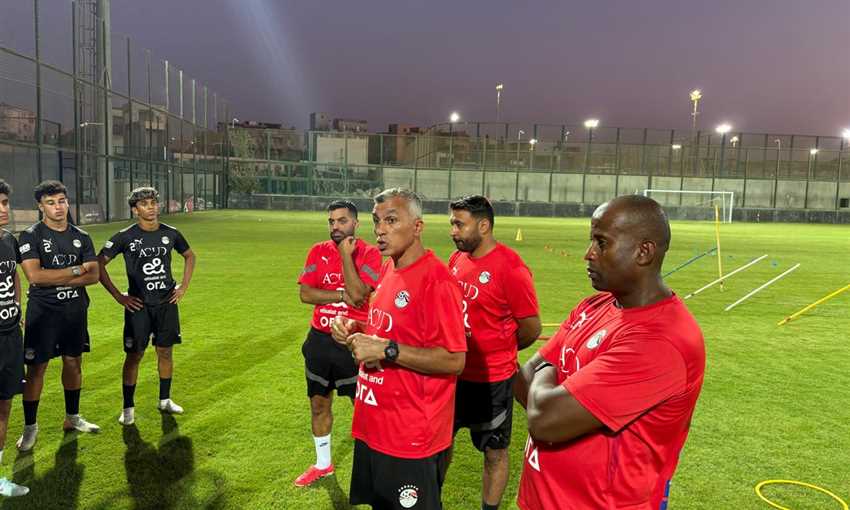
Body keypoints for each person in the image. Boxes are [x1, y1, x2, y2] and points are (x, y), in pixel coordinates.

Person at [514, 195, 706, 510]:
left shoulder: (660, 341)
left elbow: (545, 419)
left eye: (601, 243)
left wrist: (548, 369)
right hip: (542, 500)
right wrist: (548, 389)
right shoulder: (595, 305)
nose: (588, 253)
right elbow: (523, 382)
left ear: (644, 252)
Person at [332, 188, 466, 510]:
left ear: (417, 227)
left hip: (411, 438)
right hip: (375, 426)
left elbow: (454, 359)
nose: (380, 230)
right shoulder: (388, 269)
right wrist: (357, 329)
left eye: (391, 220)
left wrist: (386, 350)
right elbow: (388, 331)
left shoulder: (437, 281)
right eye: (377, 221)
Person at [446, 195, 541, 510]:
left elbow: (531, 327)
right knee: (440, 443)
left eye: (459, 224)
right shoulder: (456, 259)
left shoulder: (511, 268)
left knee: (494, 453)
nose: (453, 231)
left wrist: (500, 349)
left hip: (493, 381)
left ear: (483, 226)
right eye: (452, 224)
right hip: (453, 372)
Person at [294, 200, 382, 487]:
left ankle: (375, 469)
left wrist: (346, 255)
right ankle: (323, 464)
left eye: (342, 221)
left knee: (366, 410)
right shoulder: (317, 250)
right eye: (331, 221)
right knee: (319, 404)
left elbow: (359, 296)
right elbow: (306, 294)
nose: (335, 226)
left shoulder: (370, 253)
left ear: (356, 223)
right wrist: (340, 295)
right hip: (320, 341)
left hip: (354, 343)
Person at [97, 187, 196, 426]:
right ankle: (128, 408)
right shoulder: (125, 236)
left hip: (166, 303)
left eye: (153, 202)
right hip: (138, 305)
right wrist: (118, 296)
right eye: (144, 204)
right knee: (134, 355)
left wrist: (183, 287)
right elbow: (98, 263)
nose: (150, 207)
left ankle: (165, 400)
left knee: (166, 352)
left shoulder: (171, 233)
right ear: (135, 210)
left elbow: (190, 256)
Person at [16, 180, 101, 452]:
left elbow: (94, 275)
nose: (58, 207)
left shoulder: (82, 236)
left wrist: (55, 277)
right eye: (51, 203)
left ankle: (72, 418)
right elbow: (35, 276)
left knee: (73, 363)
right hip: (43, 313)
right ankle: (30, 427)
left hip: (74, 311)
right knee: (36, 369)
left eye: (62, 201)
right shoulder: (30, 236)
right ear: (41, 206)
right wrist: (76, 270)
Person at [0, 180, 28, 497]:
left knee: (4, 405)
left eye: (5, 202)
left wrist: (17, 306)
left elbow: (14, 275)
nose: (2, 209)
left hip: (9, 335)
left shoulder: (8, 240)